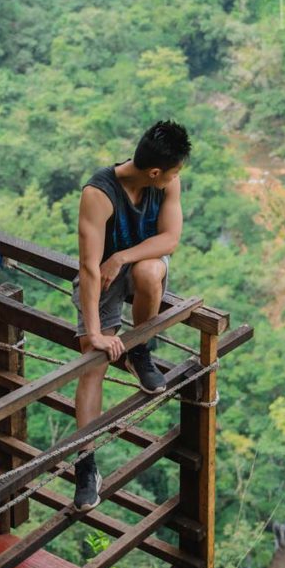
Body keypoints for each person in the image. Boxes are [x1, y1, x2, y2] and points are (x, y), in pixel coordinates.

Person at [71, 119, 191, 511]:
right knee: (92, 364)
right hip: (100, 278)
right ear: (154, 172)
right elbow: (90, 269)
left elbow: (170, 240)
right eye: (173, 171)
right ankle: (85, 465)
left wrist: (123, 255)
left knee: (150, 270)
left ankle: (140, 350)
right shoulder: (99, 193)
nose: (177, 177)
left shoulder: (165, 182)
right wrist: (95, 333)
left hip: (134, 266)